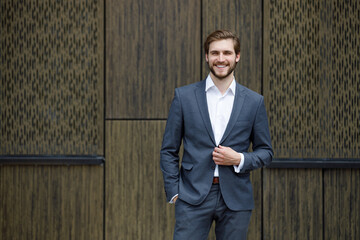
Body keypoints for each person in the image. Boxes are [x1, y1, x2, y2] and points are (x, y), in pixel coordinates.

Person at [160, 30, 273, 240]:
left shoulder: (254, 102)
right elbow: (168, 150)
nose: (221, 59)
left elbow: (266, 152)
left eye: (227, 53)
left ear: (237, 56)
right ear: (206, 56)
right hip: (191, 197)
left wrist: (239, 158)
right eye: (215, 53)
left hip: (236, 199)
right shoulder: (184, 97)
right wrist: (174, 192)